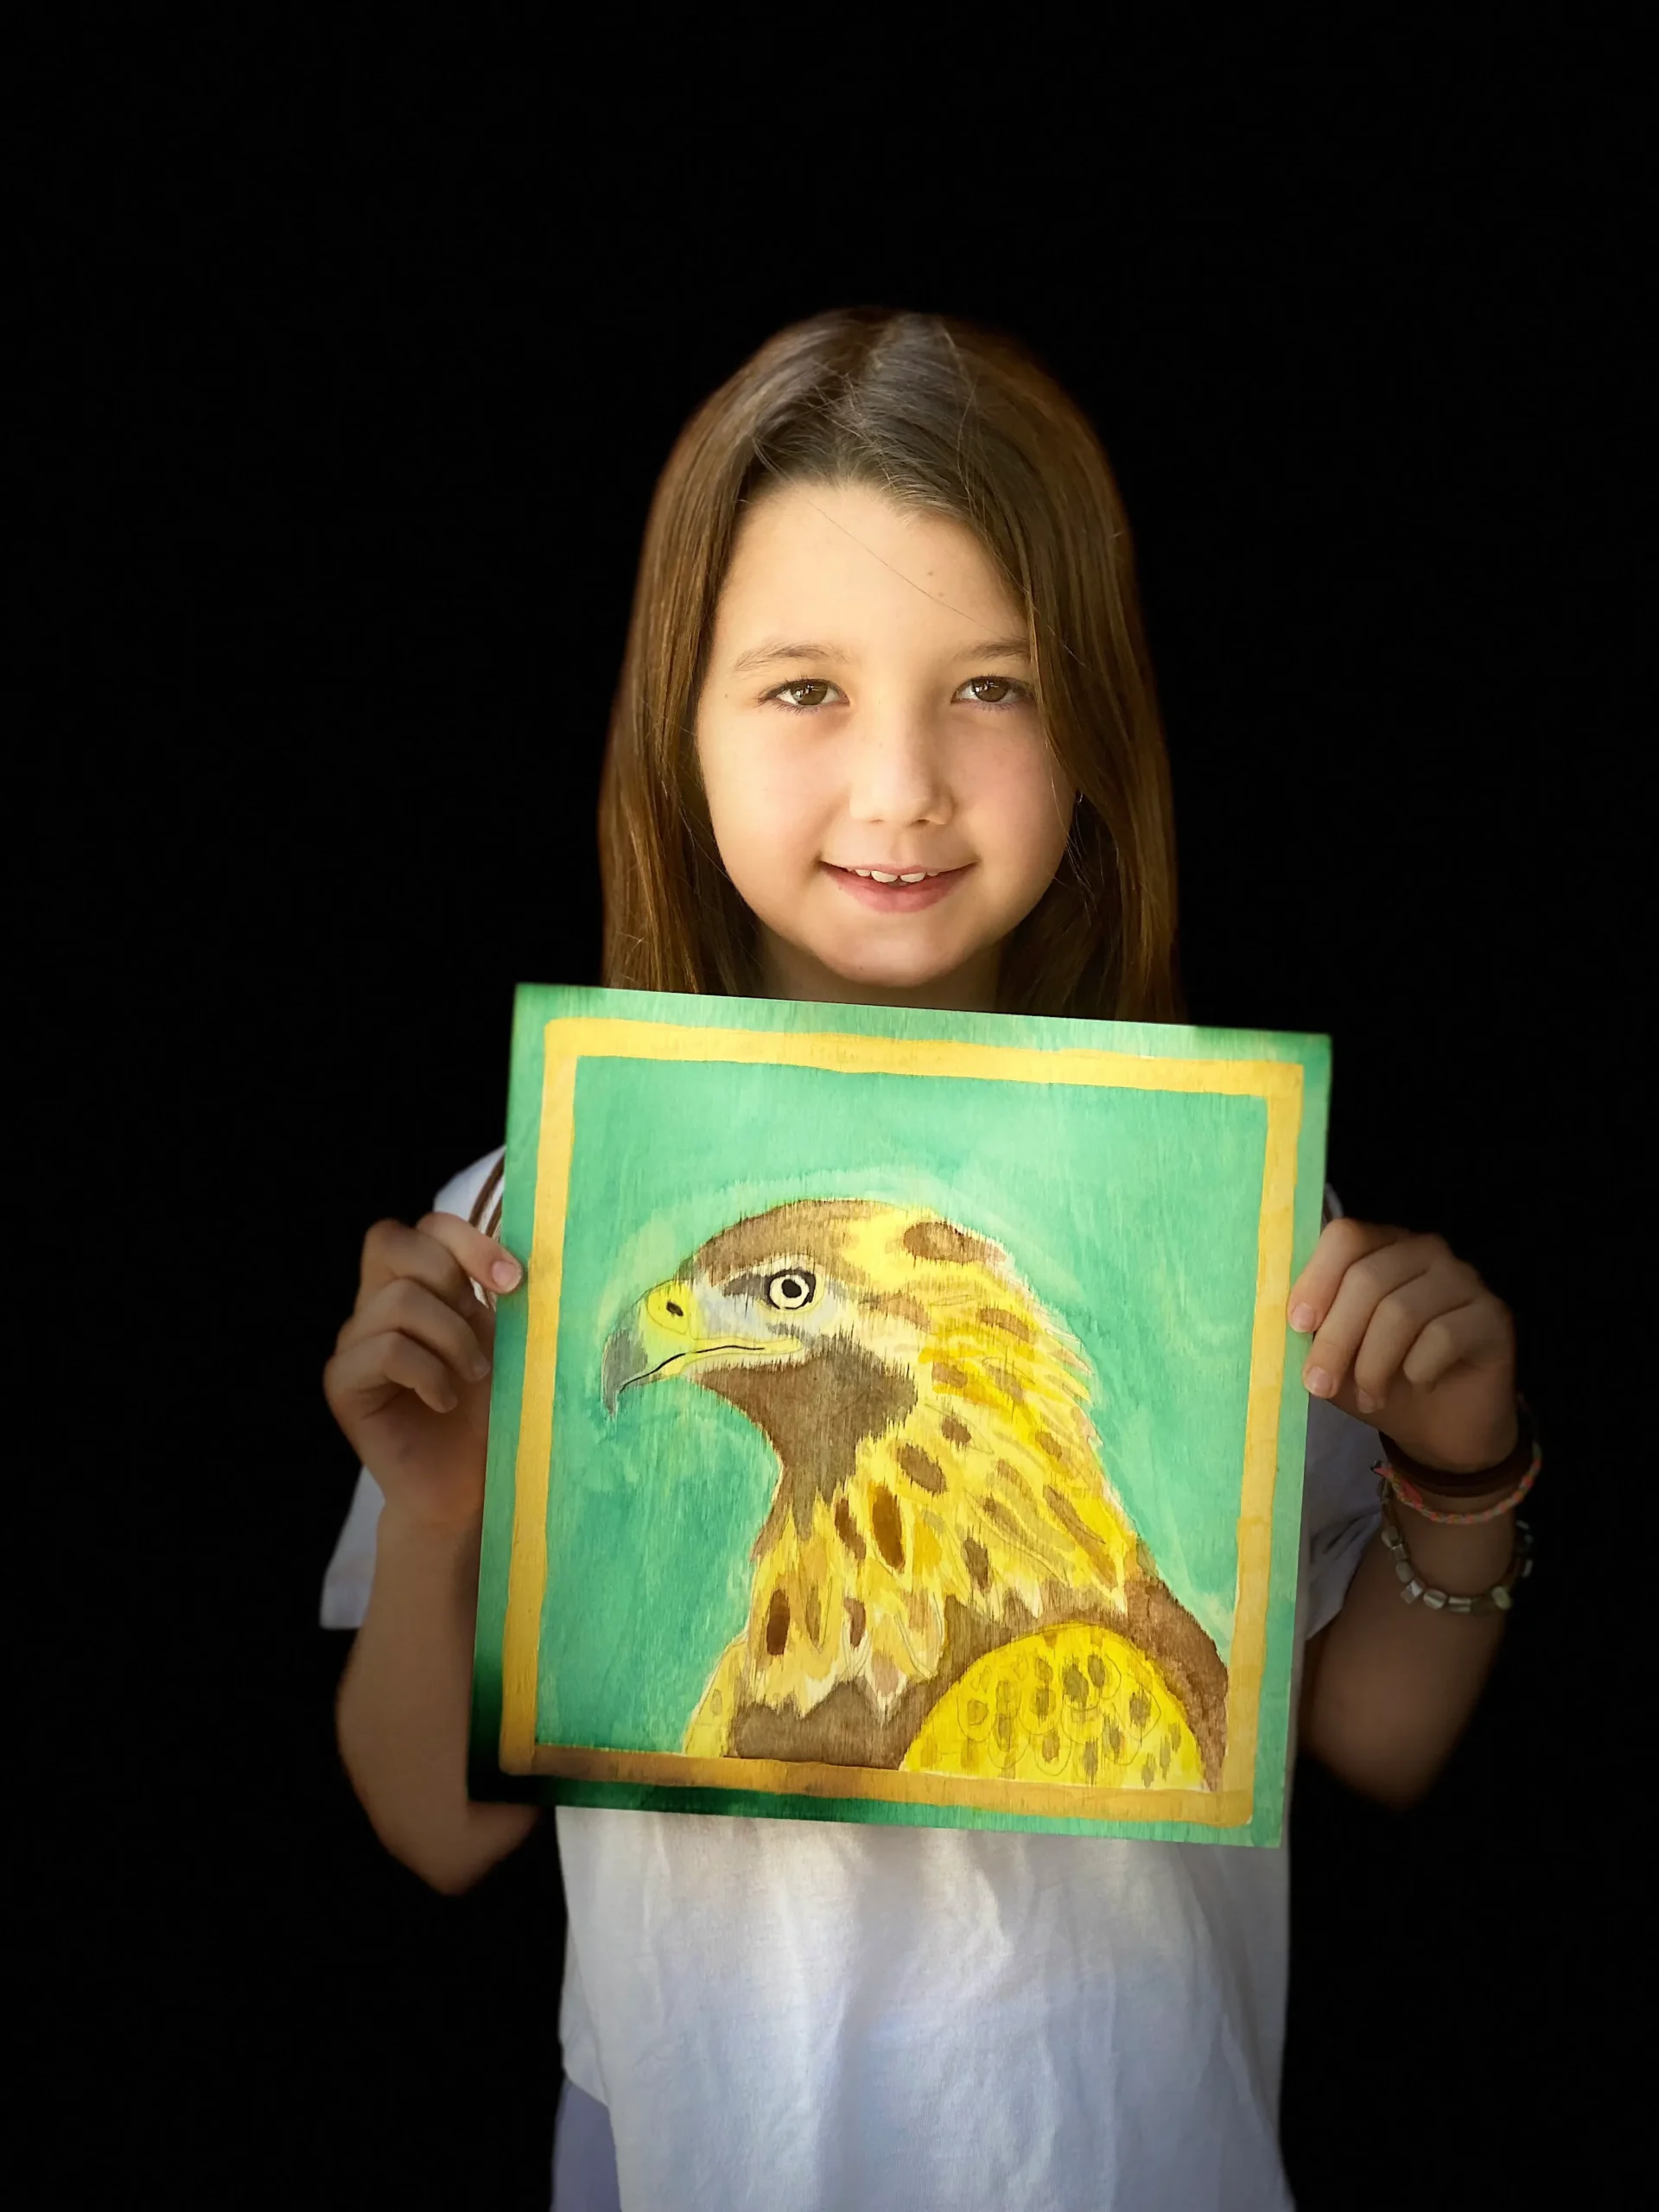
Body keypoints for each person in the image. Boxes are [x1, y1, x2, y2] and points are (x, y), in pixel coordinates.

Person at [320, 308, 1541, 2211]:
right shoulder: (519, 1220)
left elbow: (1363, 1743)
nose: (901, 784)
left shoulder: (1231, 1220)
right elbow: (432, 1823)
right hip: (683, 2146)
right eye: (803, 687)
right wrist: (440, 1516)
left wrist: (1461, 1472)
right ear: (683, 725)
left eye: (992, 685)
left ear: (1095, 738)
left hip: (1123, 2150)